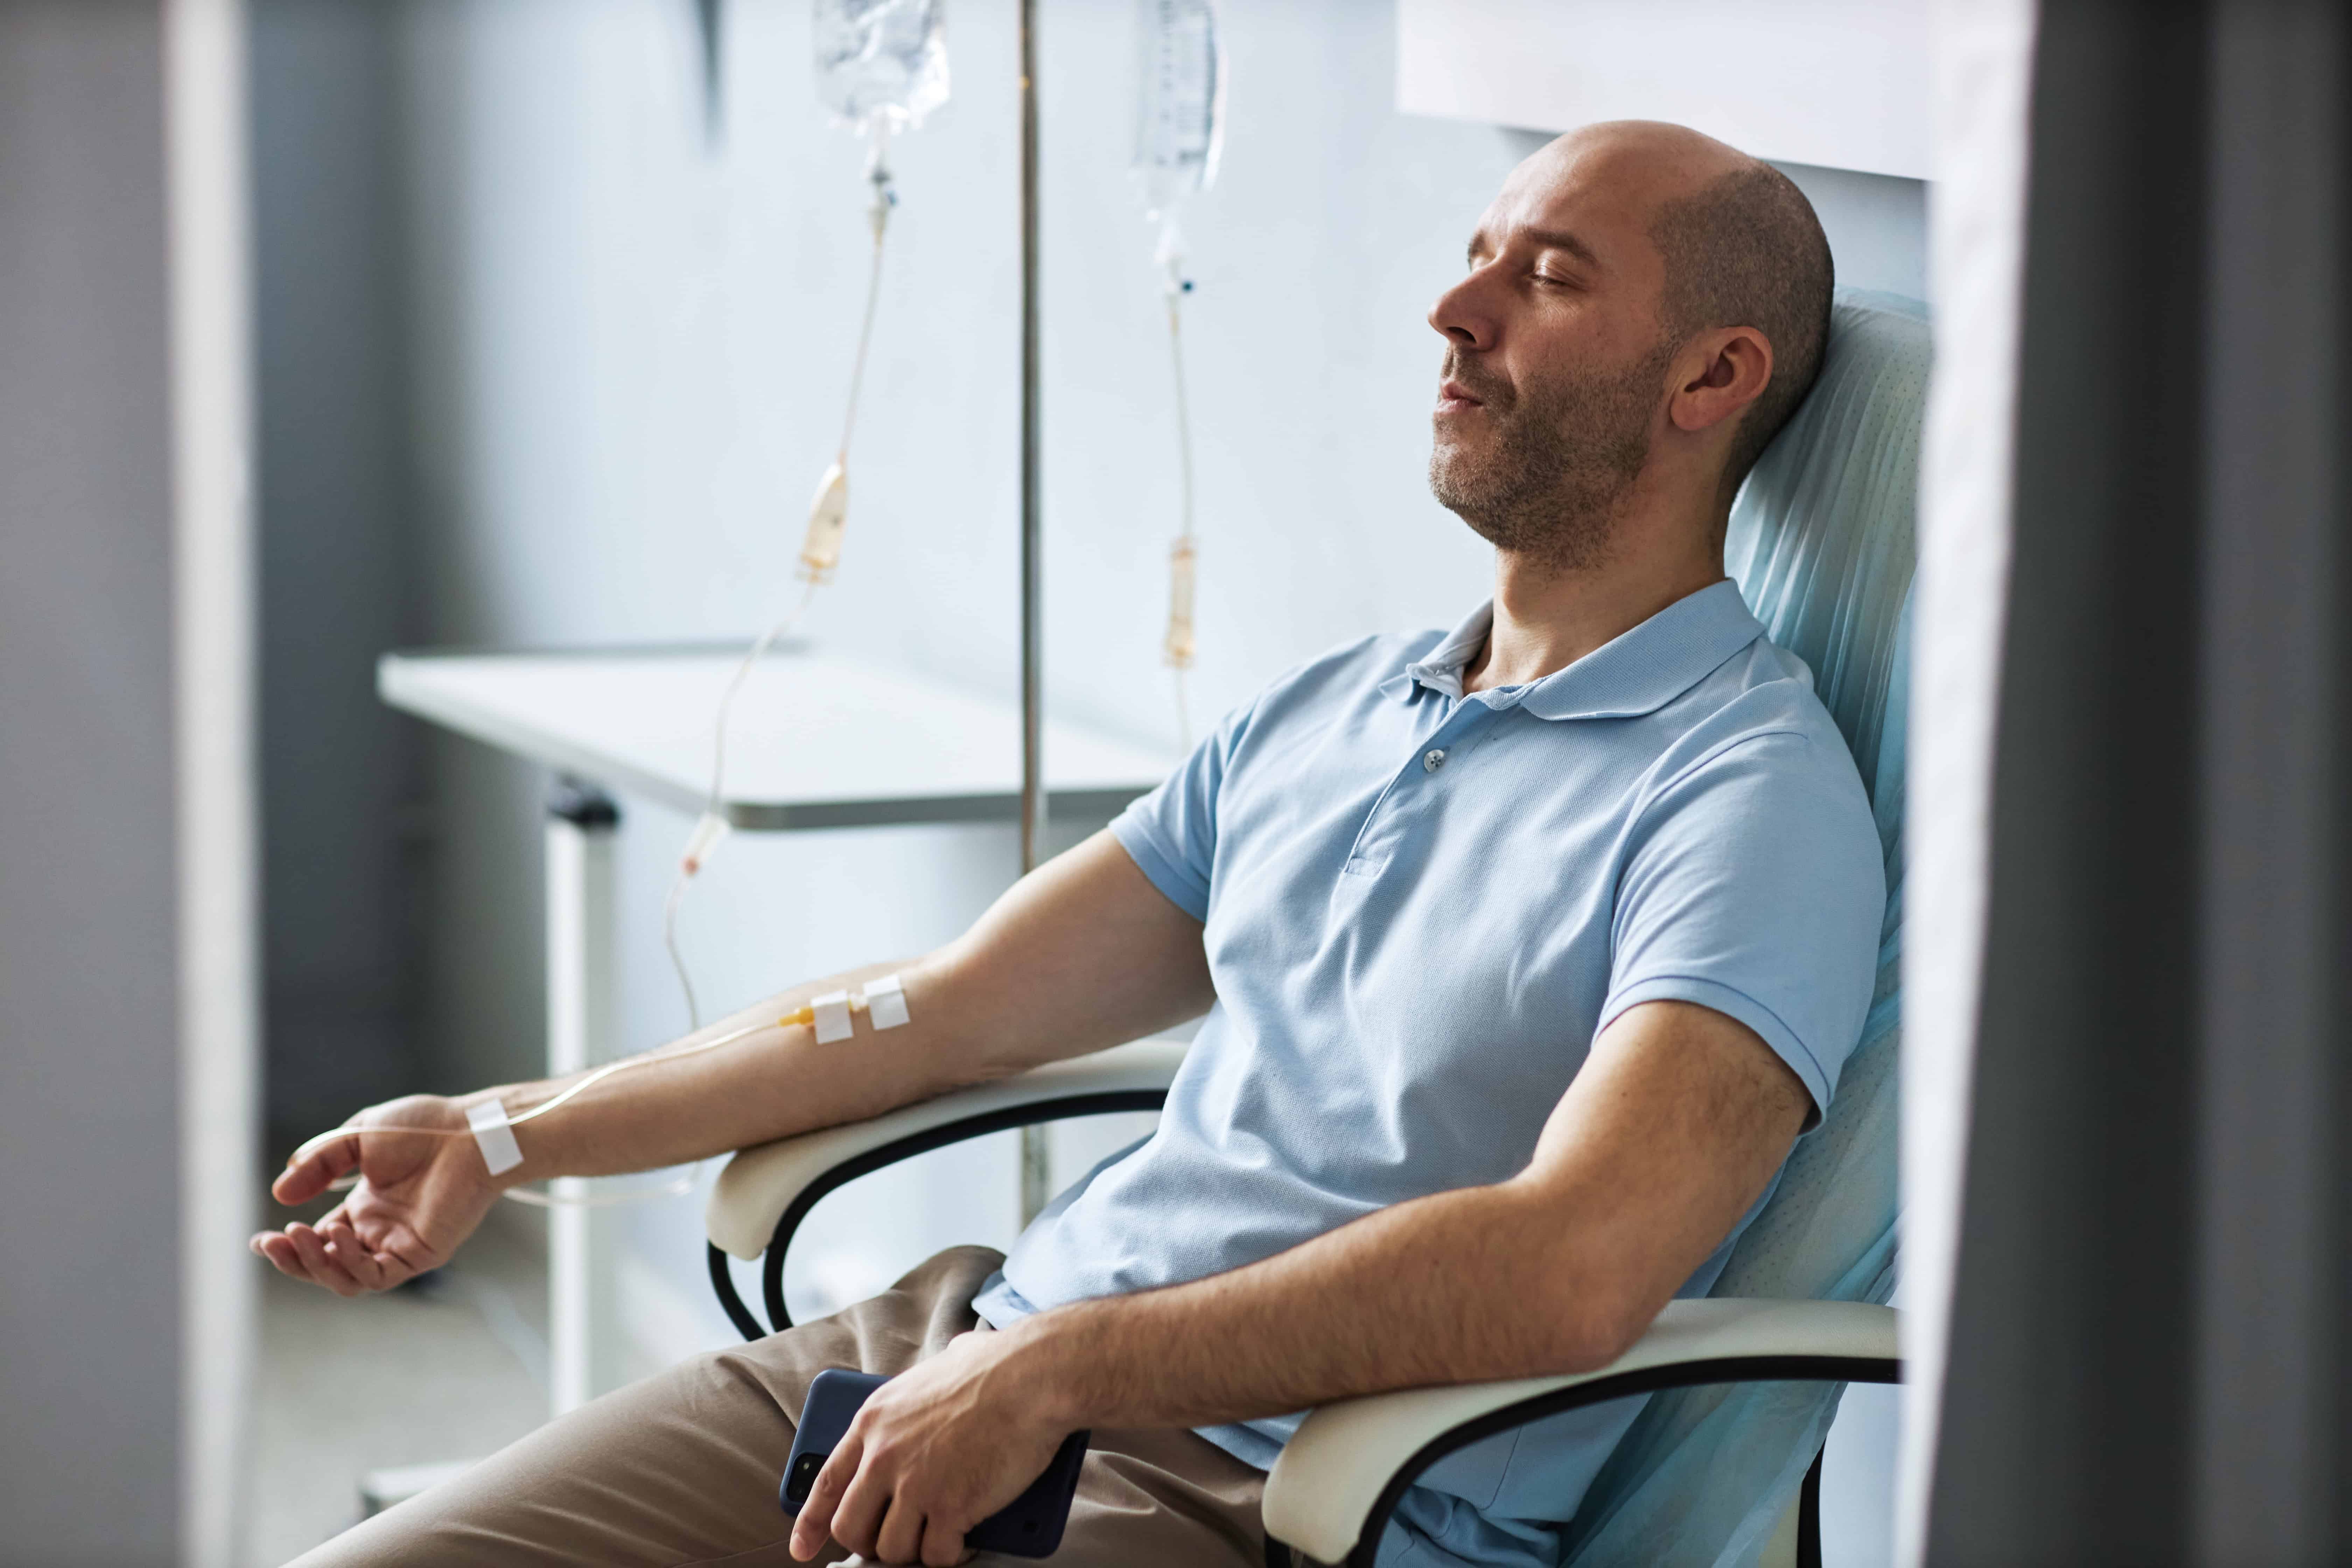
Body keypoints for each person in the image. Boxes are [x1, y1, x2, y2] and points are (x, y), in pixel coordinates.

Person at [258, 119, 1881, 1568]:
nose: (1456, 315)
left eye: (1548, 279)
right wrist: (508, 1135)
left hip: (1271, 1492)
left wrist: (1065, 1370)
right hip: (958, 1348)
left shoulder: (1747, 796)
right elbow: (947, 1006)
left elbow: (1576, 1263)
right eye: (1474, 263)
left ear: (1710, 379)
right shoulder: (1338, 705)